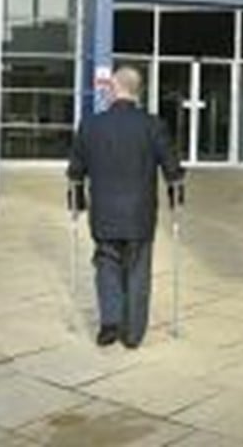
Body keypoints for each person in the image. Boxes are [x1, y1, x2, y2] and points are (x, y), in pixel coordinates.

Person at [67, 66, 185, 349]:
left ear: (113, 89)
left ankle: (109, 323)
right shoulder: (153, 125)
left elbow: (75, 171)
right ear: (138, 91)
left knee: (106, 263)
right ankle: (132, 334)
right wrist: (176, 199)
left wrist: (76, 202)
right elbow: (173, 170)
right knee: (137, 270)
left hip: (105, 212)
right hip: (139, 214)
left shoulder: (92, 125)